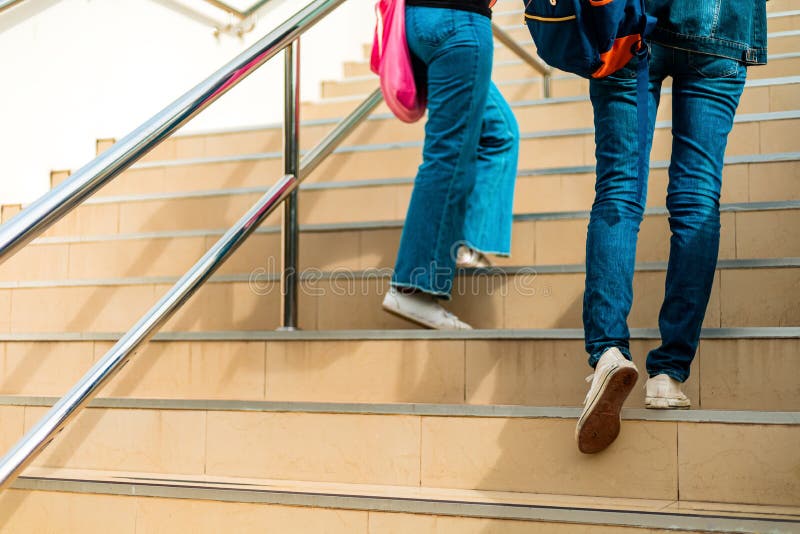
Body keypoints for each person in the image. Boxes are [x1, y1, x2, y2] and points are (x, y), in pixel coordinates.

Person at [576, 0, 768, 454]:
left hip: (631, 21)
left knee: (620, 188)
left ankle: (607, 352)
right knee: (697, 197)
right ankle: (668, 373)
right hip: (722, 27)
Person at [381, 0, 519, 329]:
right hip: (459, 20)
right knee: (449, 156)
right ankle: (413, 286)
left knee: (499, 132)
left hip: (422, 19)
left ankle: (460, 244)